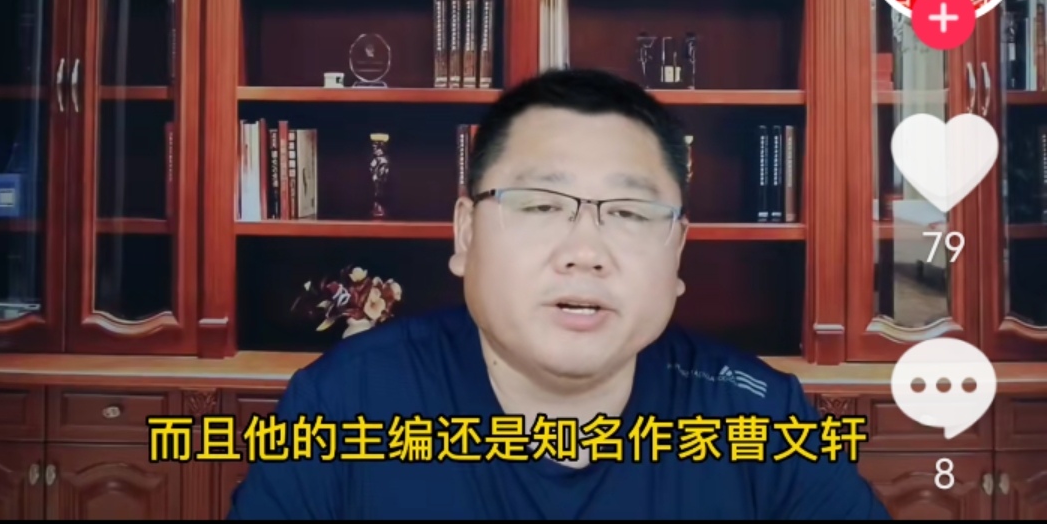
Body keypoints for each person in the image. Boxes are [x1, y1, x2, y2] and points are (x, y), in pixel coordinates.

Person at [228, 69, 891, 520]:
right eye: (541, 205)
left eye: (629, 212)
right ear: (465, 234)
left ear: (677, 252)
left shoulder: (760, 420)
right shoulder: (346, 405)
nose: (585, 250)